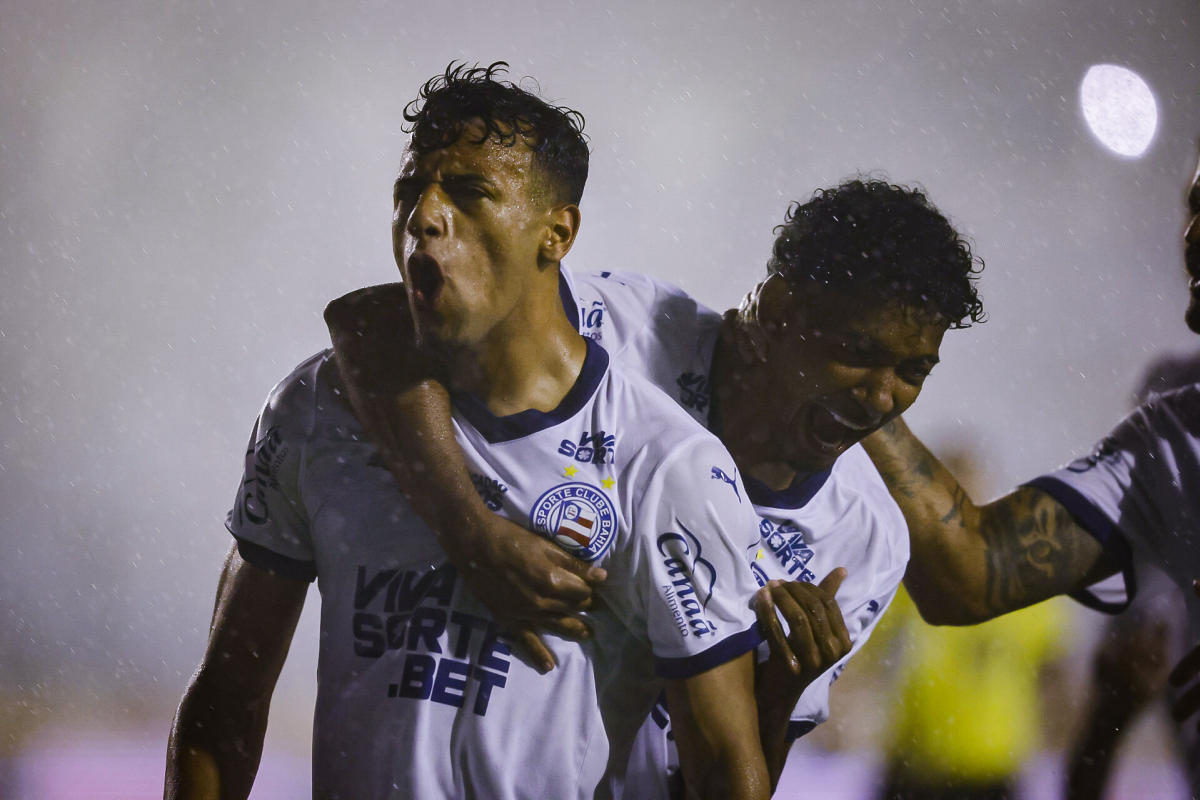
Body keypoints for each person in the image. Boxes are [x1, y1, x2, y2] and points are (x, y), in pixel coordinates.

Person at [165, 62, 772, 800]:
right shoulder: (317, 409)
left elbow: (723, 769)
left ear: (557, 233)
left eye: (469, 191)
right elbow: (225, 704)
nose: (423, 216)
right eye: (409, 191)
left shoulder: (665, 463)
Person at [326, 175, 986, 794]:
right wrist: (469, 532)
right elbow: (376, 321)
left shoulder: (866, 540)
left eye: (913, 371)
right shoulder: (618, 330)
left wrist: (782, 693)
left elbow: (729, 779)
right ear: (779, 308)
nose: (882, 397)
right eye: (858, 353)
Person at [860, 147, 1200, 790]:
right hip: (921, 772)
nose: (1190, 233)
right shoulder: (1173, 426)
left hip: (991, 771)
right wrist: (865, 388)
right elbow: (967, 575)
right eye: (1190, 208)